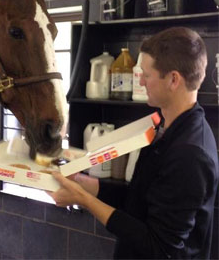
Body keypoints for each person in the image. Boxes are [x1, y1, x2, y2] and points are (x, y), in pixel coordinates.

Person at [48, 27, 219, 259]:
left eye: (146, 75)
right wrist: (82, 183)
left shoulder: (190, 154)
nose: (140, 80)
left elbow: (158, 247)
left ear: (173, 79)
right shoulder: (165, 126)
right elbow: (140, 199)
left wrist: (83, 199)